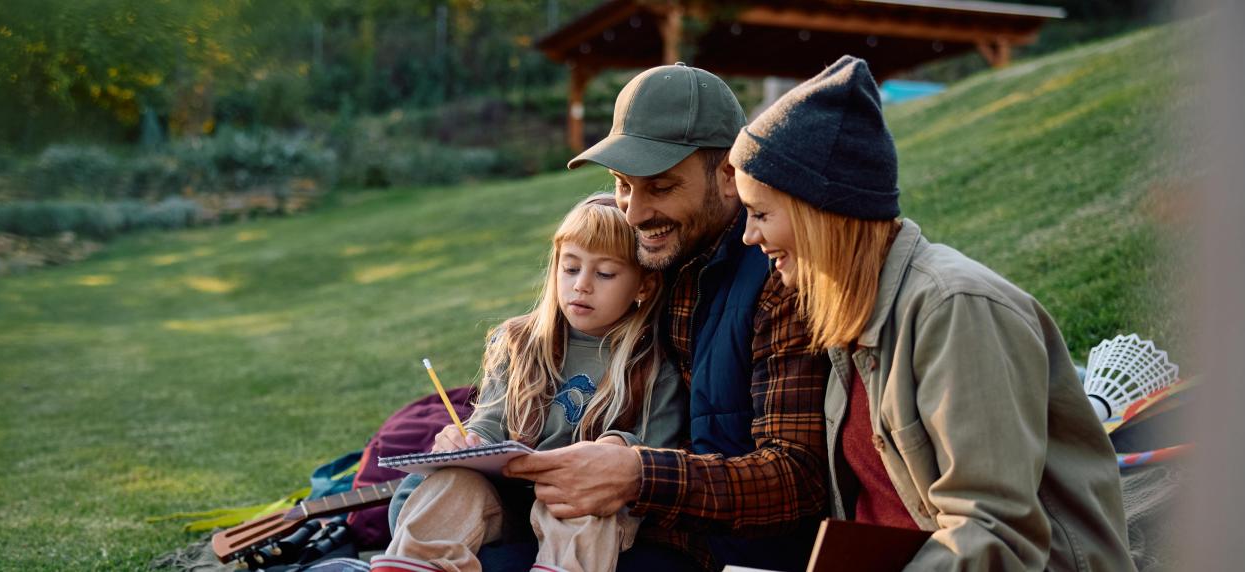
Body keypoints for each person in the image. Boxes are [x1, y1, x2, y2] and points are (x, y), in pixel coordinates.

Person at [729, 55, 1134, 570]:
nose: (749, 235)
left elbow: (994, 534)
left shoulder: (956, 310)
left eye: (761, 213)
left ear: (820, 212)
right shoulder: (849, 311)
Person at [503, 63, 832, 571]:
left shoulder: (778, 279)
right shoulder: (651, 258)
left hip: (724, 554)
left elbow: (798, 477)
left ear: (728, 177)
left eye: (659, 187)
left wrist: (637, 475)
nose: (633, 213)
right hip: (619, 524)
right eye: (622, 185)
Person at [374, 194, 686, 572]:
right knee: (454, 483)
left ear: (644, 287)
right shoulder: (518, 343)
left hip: (586, 506)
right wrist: (466, 442)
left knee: (582, 501)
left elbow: (656, 451)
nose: (582, 286)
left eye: (604, 273)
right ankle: (412, 564)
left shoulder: (652, 362)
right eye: (570, 269)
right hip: (505, 501)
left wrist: (616, 448)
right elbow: (488, 425)